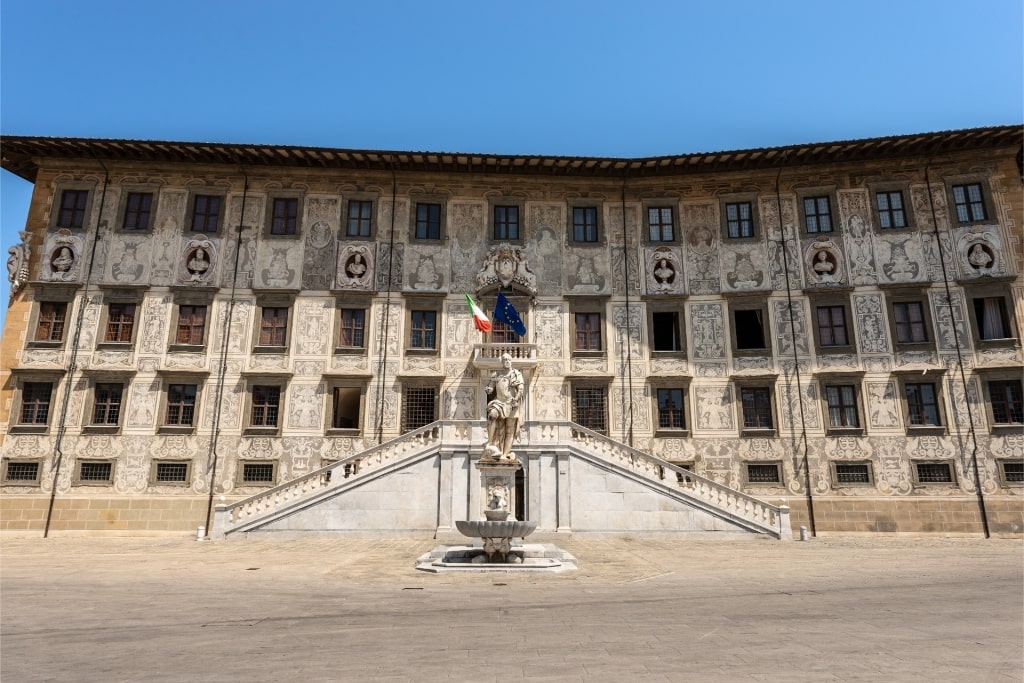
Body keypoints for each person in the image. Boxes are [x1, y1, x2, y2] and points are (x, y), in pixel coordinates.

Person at [484, 353, 524, 460]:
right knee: (492, 415)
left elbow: (520, 389)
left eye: (508, 359)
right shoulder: (496, 374)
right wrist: (489, 390)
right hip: (499, 402)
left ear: (511, 361)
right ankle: (490, 442)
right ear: (502, 362)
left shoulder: (516, 374)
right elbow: (491, 388)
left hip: (511, 403)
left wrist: (516, 399)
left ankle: (504, 454)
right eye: (504, 359)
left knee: (509, 431)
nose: (506, 361)